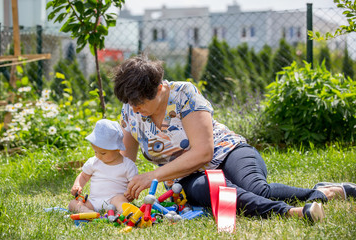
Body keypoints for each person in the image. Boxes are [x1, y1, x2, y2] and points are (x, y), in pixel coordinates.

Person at [112, 55, 356, 222]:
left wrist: (152, 175)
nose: (134, 109)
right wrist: (113, 192)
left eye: (139, 102)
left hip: (227, 151)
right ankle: (291, 212)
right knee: (215, 192)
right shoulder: (130, 112)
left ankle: (327, 192)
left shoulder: (183, 93)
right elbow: (124, 164)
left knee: (256, 189)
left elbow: (204, 153)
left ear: (159, 89)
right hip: (187, 176)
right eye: (129, 103)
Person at [68, 119, 138, 213]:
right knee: (73, 203)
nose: (98, 155)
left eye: (103, 153)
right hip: (93, 202)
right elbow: (84, 176)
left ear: (117, 149)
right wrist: (78, 184)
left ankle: (125, 212)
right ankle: (88, 212)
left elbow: (133, 184)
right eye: (95, 152)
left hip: (114, 200)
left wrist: (130, 193)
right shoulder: (94, 162)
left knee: (120, 200)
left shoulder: (128, 165)